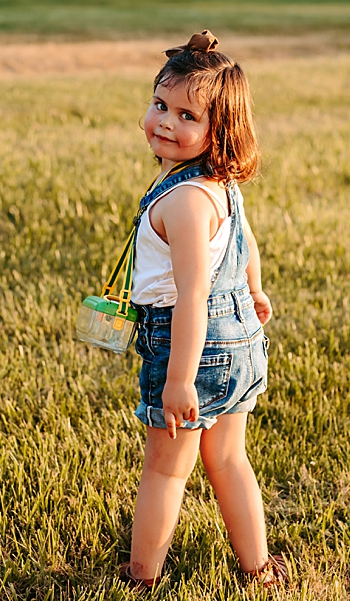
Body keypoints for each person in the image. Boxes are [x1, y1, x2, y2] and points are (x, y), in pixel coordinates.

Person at [119, 30, 289, 589]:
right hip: (238, 337)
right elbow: (246, 240)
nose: (165, 121)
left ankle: (141, 576)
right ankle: (258, 569)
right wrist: (255, 289)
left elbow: (191, 295)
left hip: (193, 346)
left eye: (187, 115)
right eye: (160, 104)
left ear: (220, 131)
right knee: (229, 460)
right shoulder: (220, 187)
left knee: (166, 470)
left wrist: (179, 378)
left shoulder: (186, 201)